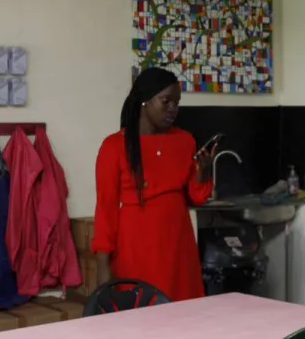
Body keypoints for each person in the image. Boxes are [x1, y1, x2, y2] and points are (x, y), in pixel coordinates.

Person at [92, 67, 218, 301]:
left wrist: (203, 174)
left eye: (177, 103)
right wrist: (102, 264)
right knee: (141, 314)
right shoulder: (114, 146)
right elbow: (105, 209)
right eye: (165, 101)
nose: (173, 109)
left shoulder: (184, 141)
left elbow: (196, 197)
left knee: (182, 312)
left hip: (178, 243)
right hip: (136, 245)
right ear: (144, 101)